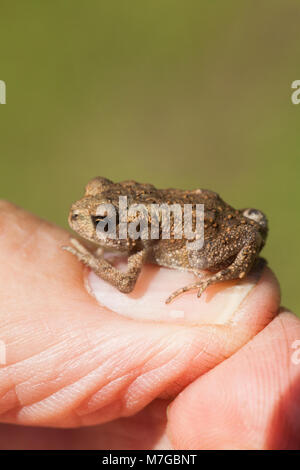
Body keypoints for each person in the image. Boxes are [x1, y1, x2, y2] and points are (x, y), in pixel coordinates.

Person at [0, 201, 299, 450]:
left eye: (101, 221)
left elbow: (126, 282)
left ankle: (226, 271)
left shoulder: (140, 239)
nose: (76, 216)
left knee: (200, 253)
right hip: (212, 217)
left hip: (212, 230)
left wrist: (89, 259)